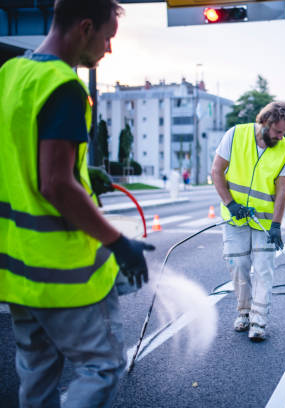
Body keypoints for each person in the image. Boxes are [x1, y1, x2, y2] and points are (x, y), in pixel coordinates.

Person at [0, 1, 155, 406]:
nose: (108, 49)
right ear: (85, 28)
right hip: (65, 274)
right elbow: (56, 184)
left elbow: (21, 158)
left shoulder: (11, 74)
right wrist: (118, 242)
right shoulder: (63, 86)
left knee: (36, 375)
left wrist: (88, 176)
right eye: (107, 38)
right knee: (102, 368)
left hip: (18, 272)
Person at [211, 102, 285, 341]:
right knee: (238, 266)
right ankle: (244, 312)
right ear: (266, 123)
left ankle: (259, 321)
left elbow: (282, 191)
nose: (281, 137)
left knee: (263, 270)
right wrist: (230, 204)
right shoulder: (235, 135)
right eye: (278, 131)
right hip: (235, 217)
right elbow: (217, 171)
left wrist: (277, 225)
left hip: (265, 223)